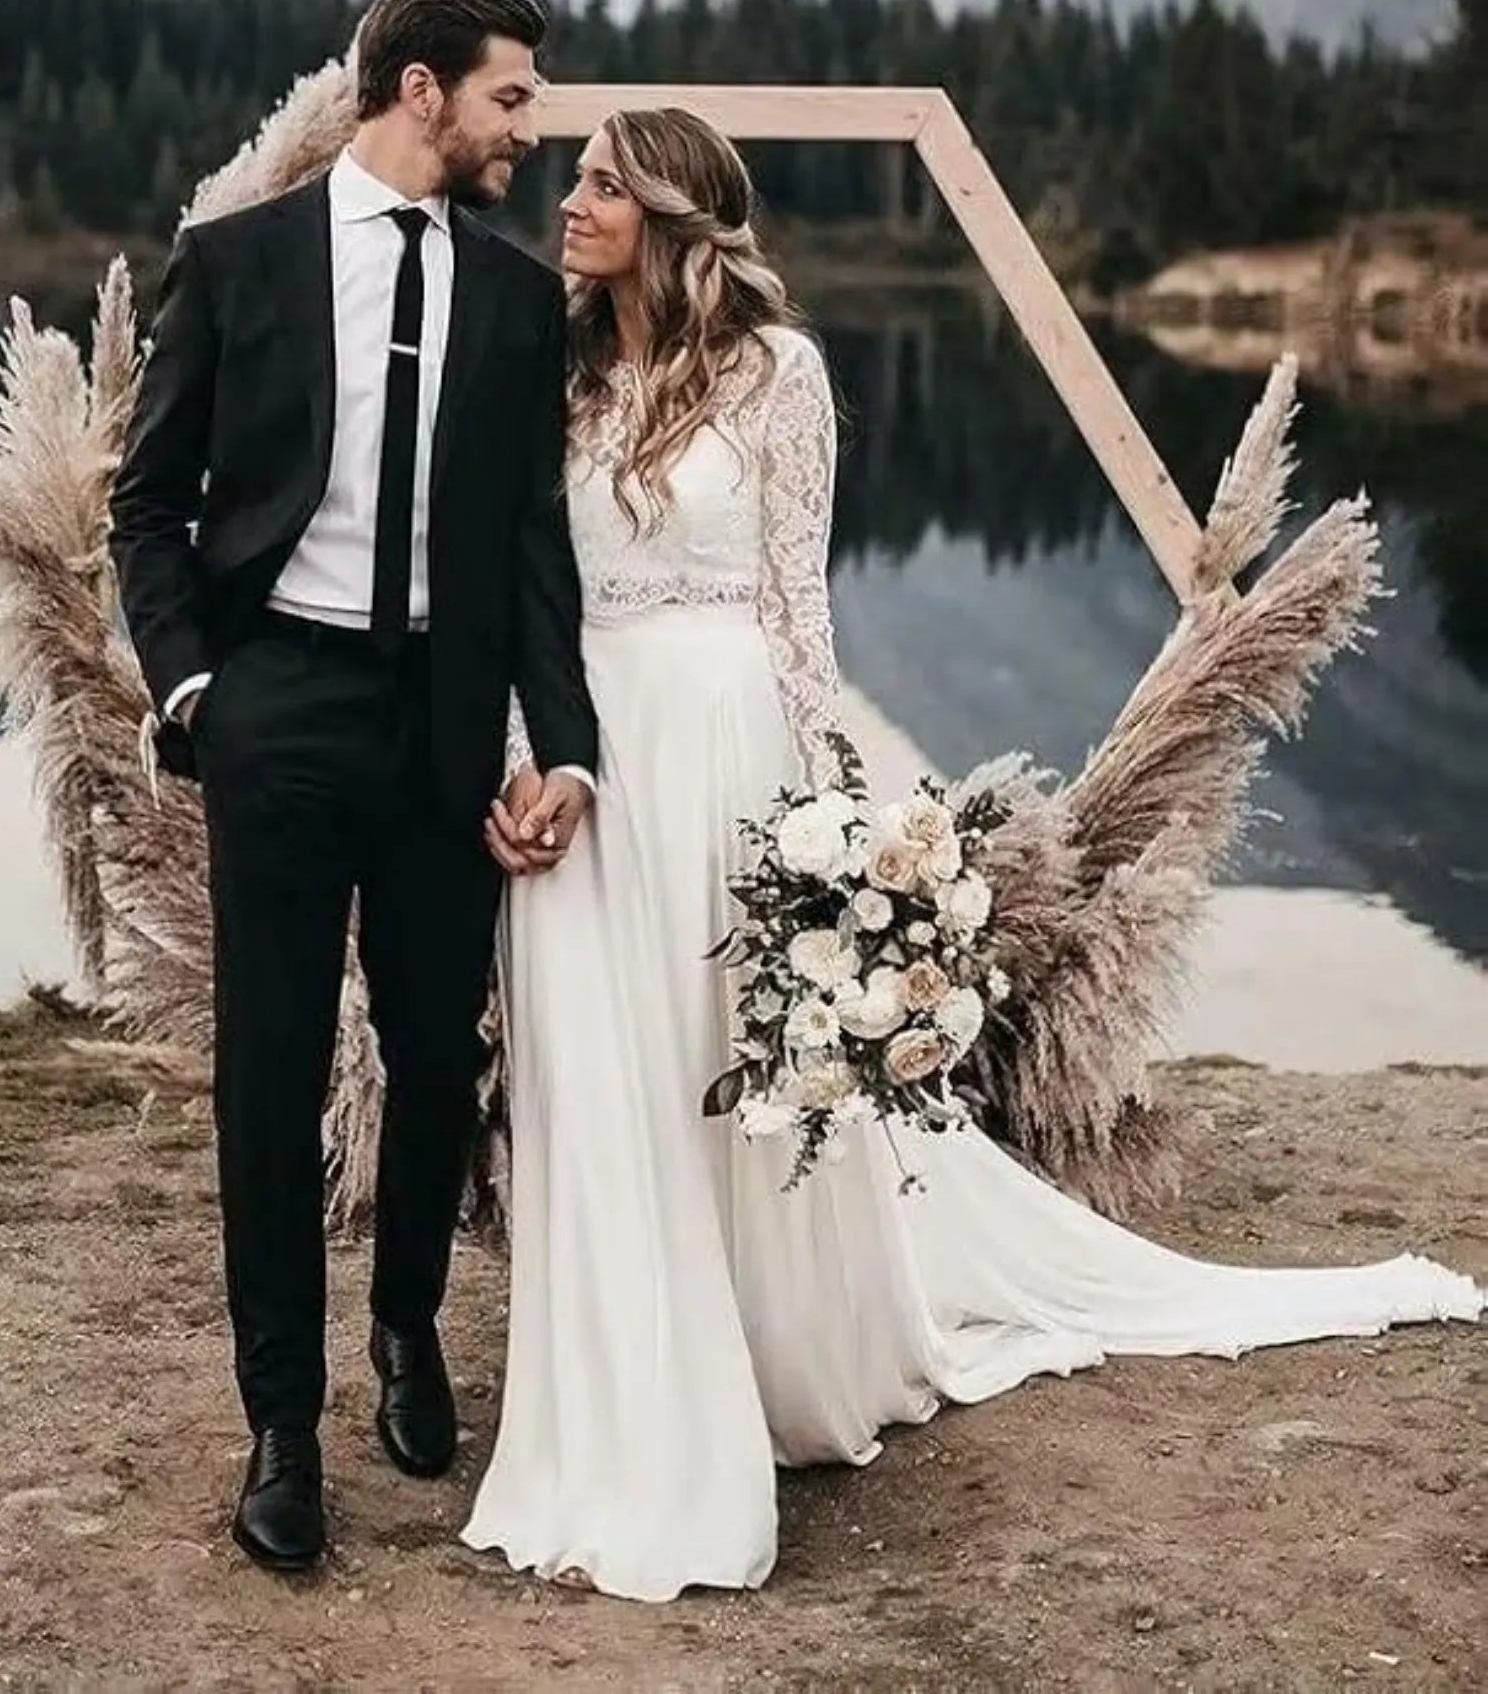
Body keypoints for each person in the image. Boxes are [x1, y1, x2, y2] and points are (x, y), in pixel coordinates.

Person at [461, 105, 1482, 1603]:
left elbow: (799, 614)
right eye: (575, 177)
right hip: (584, 748)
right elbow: (520, 592)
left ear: (676, 216)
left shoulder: (779, 376)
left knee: (718, 1056)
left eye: (604, 182)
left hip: (727, 745)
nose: (572, 201)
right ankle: (622, 1385)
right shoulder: (554, 374)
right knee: (597, 1072)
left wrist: (836, 820)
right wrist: (519, 758)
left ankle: (767, 1350)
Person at [110, 0, 598, 1571]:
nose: (531, 129)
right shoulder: (238, 261)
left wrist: (563, 743)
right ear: (419, 92)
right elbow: (148, 506)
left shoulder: (522, 304)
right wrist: (196, 690)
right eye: (512, 98)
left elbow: (533, 545)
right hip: (283, 707)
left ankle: (406, 1324)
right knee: (269, 1065)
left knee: (434, 1046)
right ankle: (280, 1429)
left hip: (443, 718)